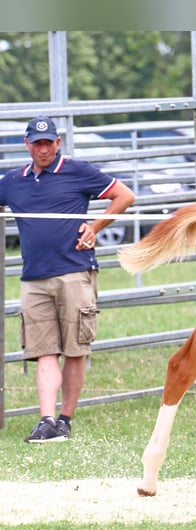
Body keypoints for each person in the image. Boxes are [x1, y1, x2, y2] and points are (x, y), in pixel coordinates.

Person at [0, 116, 135, 443]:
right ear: (27, 145)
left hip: (74, 272)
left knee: (75, 349)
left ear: (57, 143)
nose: (43, 149)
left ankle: (65, 419)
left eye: (48, 143)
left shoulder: (78, 171)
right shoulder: (13, 181)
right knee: (43, 349)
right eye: (37, 143)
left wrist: (94, 227)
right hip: (34, 277)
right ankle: (46, 421)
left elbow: (124, 196)